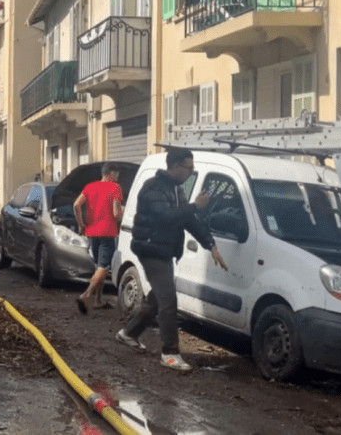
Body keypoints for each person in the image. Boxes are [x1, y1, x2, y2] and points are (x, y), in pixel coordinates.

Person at [116, 149, 227, 372]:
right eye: (189, 167)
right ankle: (170, 352)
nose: (191, 171)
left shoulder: (177, 189)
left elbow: (188, 220)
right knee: (168, 299)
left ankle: (128, 333)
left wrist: (211, 245)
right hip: (150, 248)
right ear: (175, 166)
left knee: (157, 298)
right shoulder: (153, 187)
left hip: (165, 249)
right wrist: (195, 205)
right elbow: (164, 216)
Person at [73, 163, 124, 314]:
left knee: (98, 268)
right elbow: (116, 213)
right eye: (117, 175)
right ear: (112, 174)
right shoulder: (115, 188)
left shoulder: (90, 187)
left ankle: (99, 300)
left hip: (92, 233)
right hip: (107, 233)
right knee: (103, 267)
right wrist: (124, 213)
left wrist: (81, 224)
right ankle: (86, 295)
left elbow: (76, 205)